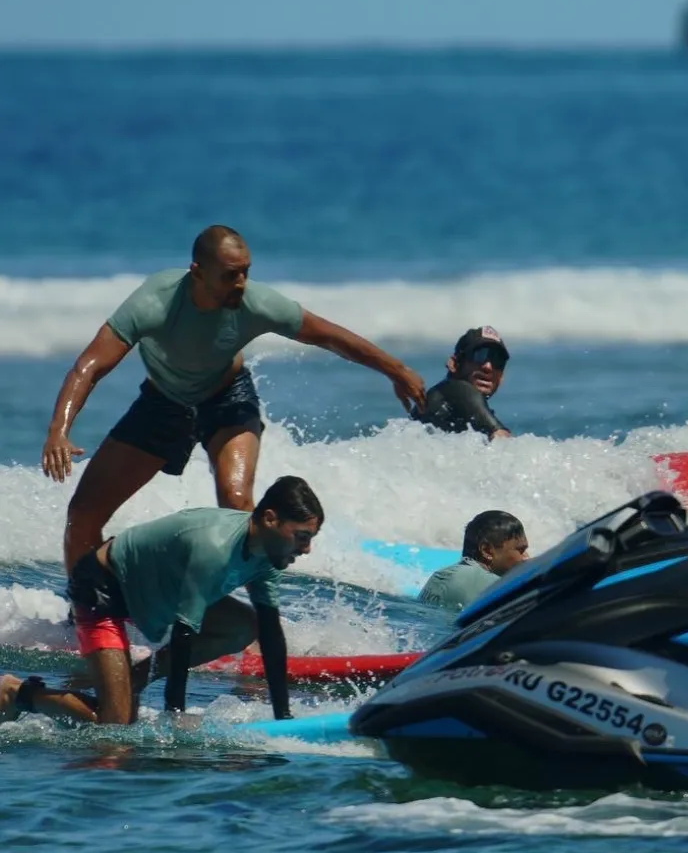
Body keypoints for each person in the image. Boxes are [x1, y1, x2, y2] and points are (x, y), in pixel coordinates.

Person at [40, 225, 426, 586]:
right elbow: (89, 366)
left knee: (237, 504)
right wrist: (60, 429)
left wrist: (396, 370)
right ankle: (85, 615)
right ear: (198, 272)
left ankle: (245, 619)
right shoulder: (155, 302)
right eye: (230, 275)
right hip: (163, 405)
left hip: (228, 398)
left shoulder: (256, 302)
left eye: (245, 271)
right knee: (83, 515)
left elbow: (329, 336)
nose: (241, 283)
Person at [0, 475, 324, 725]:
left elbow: (270, 632)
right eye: (302, 537)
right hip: (104, 589)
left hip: (161, 591)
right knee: (116, 725)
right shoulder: (214, 547)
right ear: (270, 519)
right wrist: (175, 715)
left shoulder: (270, 556)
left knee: (245, 627)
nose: (306, 549)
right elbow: (184, 634)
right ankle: (19, 693)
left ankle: (135, 681)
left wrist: (283, 715)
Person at [419, 510, 529, 611]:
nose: (526, 557)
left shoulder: (446, 575)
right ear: (487, 550)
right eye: (521, 550)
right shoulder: (479, 581)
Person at [414, 326, 511, 440]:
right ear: (454, 364)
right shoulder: (453, 390)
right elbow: (502, 440)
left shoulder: (473, 418)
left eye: (497, 360)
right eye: (480, 355)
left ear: (501, 378)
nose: (488, 367)